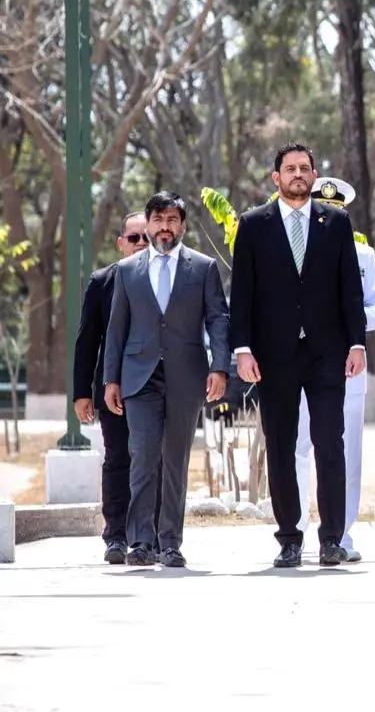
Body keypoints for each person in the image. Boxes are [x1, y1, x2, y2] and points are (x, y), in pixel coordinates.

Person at [230, 143, 367, 568]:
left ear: (314, 174)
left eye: (305, 168)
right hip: (274, 356)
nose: (298, 175)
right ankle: (289, 538)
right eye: (290, 169)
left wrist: (357, 343)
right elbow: (243, 294)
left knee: (330, 443)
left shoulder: (337, 222)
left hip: (327, 353)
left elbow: (350, 289)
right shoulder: (253, 225)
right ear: (276, 178)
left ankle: (331, 539)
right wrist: (242, 349)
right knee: (282, 445)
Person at [102, 192, 230, 567]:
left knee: (175, 460)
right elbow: (116, 329)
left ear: (182, 226)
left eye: (172, 220)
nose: (164, 227)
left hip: (186, 377)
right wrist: (111, 380)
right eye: (158, 219)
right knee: (142, 457)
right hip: (138, 377)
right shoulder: (127, 271)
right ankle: (140, 542)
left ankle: (170, 542)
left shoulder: (203, 268)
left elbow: (218, 320)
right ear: (149, 222)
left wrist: (219, 367)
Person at [294, 177, 375, 563]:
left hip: (348, 366)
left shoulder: (363, 256)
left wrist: (346, 321)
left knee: (346, 452)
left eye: (338, 212)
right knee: (298, 449)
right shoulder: (294, 250)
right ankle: (295, 532)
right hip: (301, 362)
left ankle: (341, 536)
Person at [73, 211, 156, 564]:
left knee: (155, 462)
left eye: (146, 238)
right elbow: (87, 340)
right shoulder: (102, 281)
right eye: (133, 238)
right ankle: (116, 536)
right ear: (120, 243)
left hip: (156, 388)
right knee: (118, 459)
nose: (140, 244)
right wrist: (81, 393)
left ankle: (151, 537)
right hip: (114, 389)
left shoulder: (164, 279)